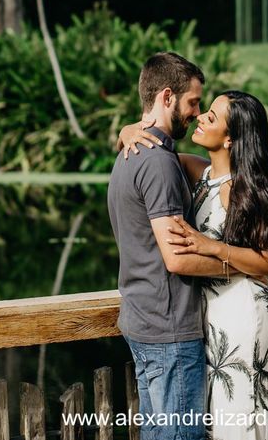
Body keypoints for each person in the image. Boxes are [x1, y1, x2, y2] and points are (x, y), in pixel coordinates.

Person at [119, 90, 268, 440]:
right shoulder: (201, 173)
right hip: (211, 314)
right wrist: (127, 131)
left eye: (212, 117)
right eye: (204, 111)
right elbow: (159, 152)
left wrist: (213, 247)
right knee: (218, 418)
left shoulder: (245, 188)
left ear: (230, 138)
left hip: (241, 314)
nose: (200, 118)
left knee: (243, 413)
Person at [107, 51, 223, 440]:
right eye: (193, 102)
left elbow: (210, 169)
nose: (196, 111)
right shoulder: (155, 162)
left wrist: (126, 129)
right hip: (169, 331)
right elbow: (176, 259)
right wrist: (239, 265)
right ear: (168, 96)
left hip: (144, 322)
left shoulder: (132, 152)